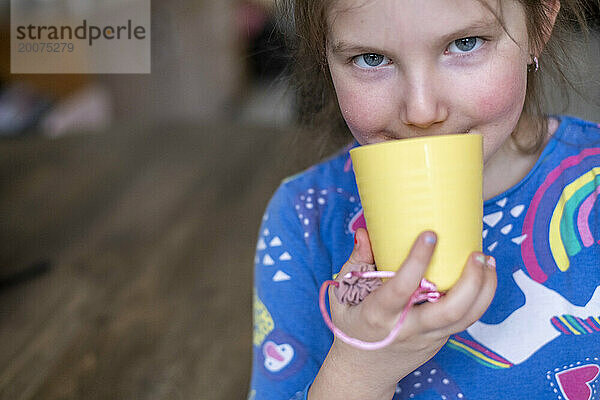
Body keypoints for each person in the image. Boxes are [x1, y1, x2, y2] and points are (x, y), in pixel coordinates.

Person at [249, 0, 600, 398]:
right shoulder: (305, 217)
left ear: (540, 25)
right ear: (325, 53)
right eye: (371, 57)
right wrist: (361, 368)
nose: (421, 111)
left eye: (465, 43)